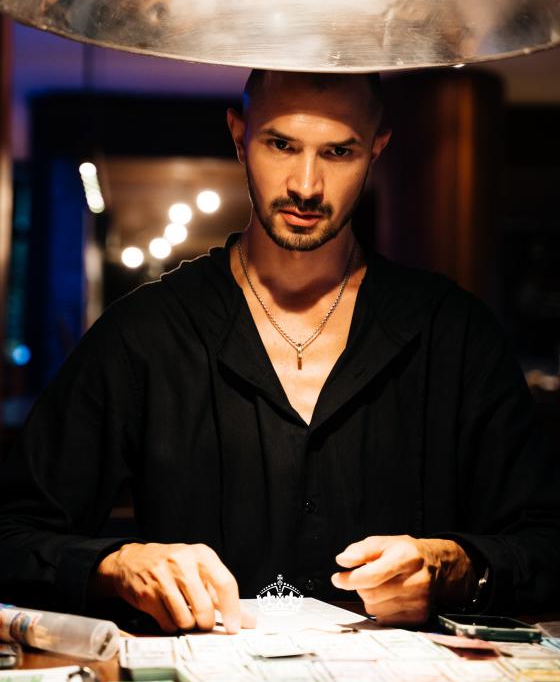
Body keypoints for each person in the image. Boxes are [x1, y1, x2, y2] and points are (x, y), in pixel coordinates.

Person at [0, 70, 559, 635]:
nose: (306, 186)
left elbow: (547, 541)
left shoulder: (454, 332)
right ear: (239, 137)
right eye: (281, 145)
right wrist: (117, 565)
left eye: (338, 152)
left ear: (376, 149)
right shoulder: (145, 332)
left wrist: (454, 566)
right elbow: (13, 535)